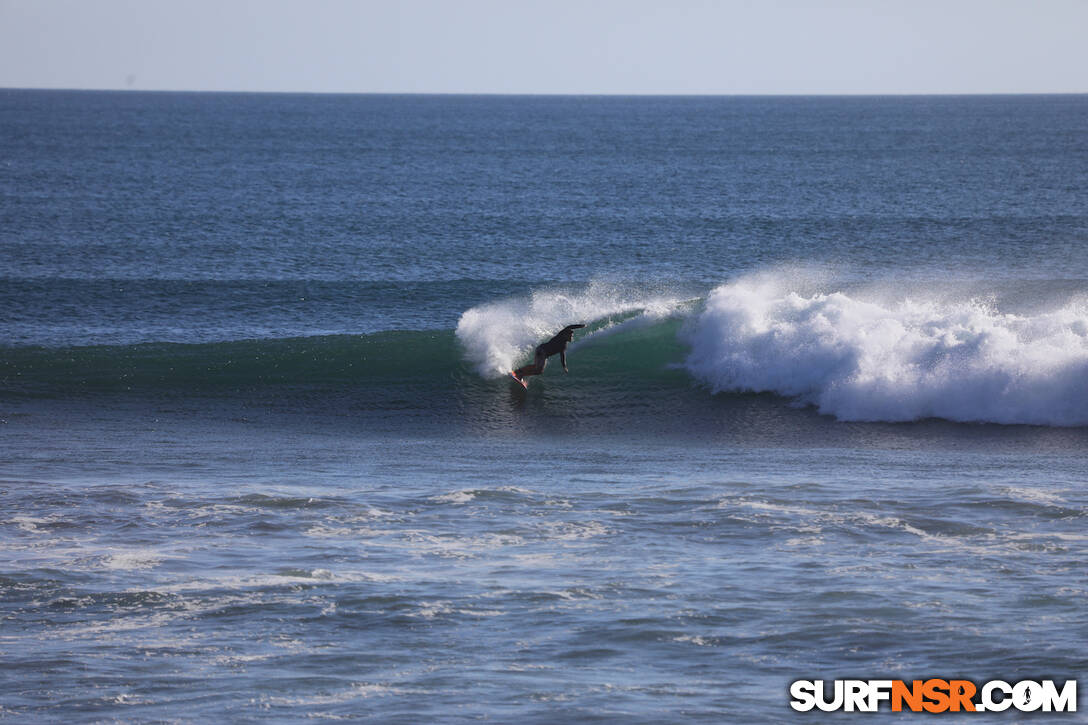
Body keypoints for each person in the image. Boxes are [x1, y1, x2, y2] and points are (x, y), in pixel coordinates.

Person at [512, 324, 586, 382]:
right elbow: (569, 327)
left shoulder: (563, 346)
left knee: (537, 368)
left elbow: (562, 356)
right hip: (542, 351)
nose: (571, 337)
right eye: (570, 335)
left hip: (543, 352)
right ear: (565, 335)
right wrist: (580, 326)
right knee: (538, 370)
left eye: (572, 336)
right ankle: (520, 374)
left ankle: (519, 372)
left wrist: (564, 366)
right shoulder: (560, 336)